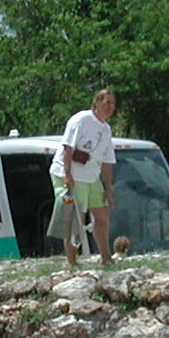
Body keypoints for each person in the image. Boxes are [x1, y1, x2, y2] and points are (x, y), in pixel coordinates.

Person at [53, 88, 118, 269]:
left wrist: (108, 189)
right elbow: (67, 147)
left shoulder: (106, 129)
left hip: (91, 176)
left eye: (112, 104)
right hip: (72, 174)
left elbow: (107, 161)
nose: (110, 107)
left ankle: (106, 257)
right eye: (107, 102)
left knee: (102, 215)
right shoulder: (81, 120)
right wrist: (67, 175)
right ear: (96, 103)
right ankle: (72, 262)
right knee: (76, 218)